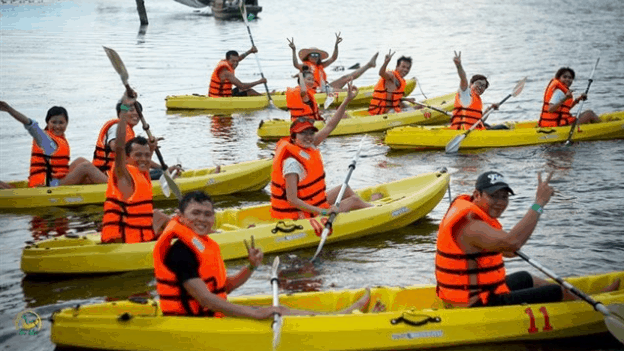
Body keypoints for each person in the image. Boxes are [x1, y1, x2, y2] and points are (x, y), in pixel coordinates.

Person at [153, 190, 371, 318]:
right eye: (195, 213)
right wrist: (258, 313)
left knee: (279, 307)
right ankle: (343, 316)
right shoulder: (180, 252)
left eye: (208, 214)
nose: (202, 219)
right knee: (278, 309)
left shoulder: (204, 244)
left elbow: (224, 287)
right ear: (180, 217)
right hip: (196, 324)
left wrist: (251, 267)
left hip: (209, 316)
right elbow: (206, 299)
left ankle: (341, 314)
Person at [435, 171, 620, 308]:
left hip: (471, 295)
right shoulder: (471, 224)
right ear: (477, 195)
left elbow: (507, 251)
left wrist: (509, 243)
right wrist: (539, 203)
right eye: (493, 196)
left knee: (525, 277)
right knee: (553, 291)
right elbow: (512, 244)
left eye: (504, 196)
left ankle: (582, 299)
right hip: (475, 306)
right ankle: (587, 305)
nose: (500, 202)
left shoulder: (472, 215)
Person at [271, 82, 378, 220]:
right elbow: (292, 200)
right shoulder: (291, 162)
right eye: (303, 133)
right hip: (299, 215)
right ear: (293, 136)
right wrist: (322, 212)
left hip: (311, 204)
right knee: (353, 201)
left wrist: (346, 100)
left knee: (343, 189)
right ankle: (375, 209)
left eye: (310, 133)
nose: (308, 137)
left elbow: (330, 126)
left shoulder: (309, 145)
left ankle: (364, 207)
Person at [101, 92, 164, 244]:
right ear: (127, 158)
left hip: (137, 233)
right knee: (170, 221)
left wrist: (151, 147)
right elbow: (120, 146)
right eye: (138, 156)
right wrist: (124, 106)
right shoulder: (124, 174)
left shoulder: (141, 173)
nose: (143, 159)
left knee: (159, 215)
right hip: (126, 240)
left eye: (146, 155)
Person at [0, 101, 108, 187]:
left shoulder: (59, 138)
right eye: (53, 122)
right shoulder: (44, 139)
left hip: (54, 178)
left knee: (80, 160)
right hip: (46, 184)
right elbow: (29, 124)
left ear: (67, 123)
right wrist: (9, 109)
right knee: (85, 167)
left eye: (61, 122)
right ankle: (115, 187)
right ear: (47, 122)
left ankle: (100, 179)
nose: (57, 126)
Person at [288, 35, 378, 93]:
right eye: (312, 55)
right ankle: (348, 92)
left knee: (345, 78)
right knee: (341, 90)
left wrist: (336, 45)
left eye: (317, 55)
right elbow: (296, 64)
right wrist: (294, 50)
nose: (315, 57)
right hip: (314, 91)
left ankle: (369, 65)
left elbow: (333, 58)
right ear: (308, 56)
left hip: (324, 89)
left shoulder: (320, 66)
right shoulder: (306, 66)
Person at [449, 51, 500, 130]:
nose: (480, 87)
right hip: (463, 131)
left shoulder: (477, 99)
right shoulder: (466, 94)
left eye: (483, 86)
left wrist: (490, 109)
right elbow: (463, 79)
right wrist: (459, 66)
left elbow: (478, 120)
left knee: (486, 124)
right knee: (503, 127)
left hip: (472, 129)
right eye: (478, 83)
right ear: (471, 84)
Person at [368, 50, 415, 115]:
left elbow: (393, 98)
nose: (406, 70)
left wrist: (406, 99)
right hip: (385, 112)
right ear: (397, 67)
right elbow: (381, 73)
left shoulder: (400, 80)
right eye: (403, 67)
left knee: (414, 106)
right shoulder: (391, 75)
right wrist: (386, 62)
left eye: (408, 68)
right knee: (416, 109)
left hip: (392, 108)